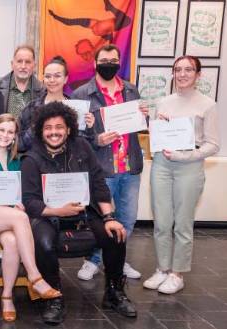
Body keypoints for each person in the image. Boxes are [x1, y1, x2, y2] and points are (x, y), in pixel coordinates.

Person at [22, 102, 136, 324]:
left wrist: (109, 218)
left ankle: (114, 292)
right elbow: (30, 202)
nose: (54, 132)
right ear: (40, 131)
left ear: (69, 129)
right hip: (47, 215)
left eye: (59, 127)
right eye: (48, 128)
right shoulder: (31, 158)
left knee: (115, 234)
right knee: (43, 242)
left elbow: (98, 184)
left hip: (85, 211)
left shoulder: (83, 147)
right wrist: (59, 210)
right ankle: (53, 296)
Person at [0, 114, 62, 322]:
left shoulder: (18, 161)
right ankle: (35, 277)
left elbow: (22, 195)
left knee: (11, 241)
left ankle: (7, 296)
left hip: (7, 215)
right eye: (1, 130)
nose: (5, 135)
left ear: (15, 136)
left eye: (10, 132)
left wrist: (18, 203)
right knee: (20, 218)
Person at [143, 56, 220, 294]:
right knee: (162, 222)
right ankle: (162, 269)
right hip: (162, 165)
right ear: (173, 73)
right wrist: (151, 123)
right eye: (178, 70)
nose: (182, 74)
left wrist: (185, 156)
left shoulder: (207, 105)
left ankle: (177, 274)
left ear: (198, 75)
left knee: (182, 224)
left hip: (188, 165)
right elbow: (156, 137)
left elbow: (213, 144)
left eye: (188, 69)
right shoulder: (164, 102)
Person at [72, 44, 144, 282]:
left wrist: (146, 115)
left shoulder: (131, 90)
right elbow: (75, 136)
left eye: (114, 61)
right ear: (95, 63)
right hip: (102, 167)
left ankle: (117, 259)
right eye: (104, 60)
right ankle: (93, 260)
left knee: (128, 218)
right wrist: (97, 139)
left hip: (130, 166)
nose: (109, 64)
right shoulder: (82, 94)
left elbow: (140, 123)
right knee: (102, 219)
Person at [48, 0, 132, 62]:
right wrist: (56, 17)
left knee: (126, 21)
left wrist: (56, 17)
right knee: (126, 21)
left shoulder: (96, 33)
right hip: (103, 30)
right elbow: (70, 22)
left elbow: (70, 22)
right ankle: (109, 7)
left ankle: (109, 7)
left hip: (103, 30)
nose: (86, 56)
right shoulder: (95, 47)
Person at [19, 56, 71, 152]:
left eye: (57, 76)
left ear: (65, 79)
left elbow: (84, 143)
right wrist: (36, 126)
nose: (52, 80)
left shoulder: (75, 108)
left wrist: (90, 127)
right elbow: (20, 145)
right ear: (43, 79)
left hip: (68, 164)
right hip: (38, 164)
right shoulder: (31, 108)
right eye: (48, 76)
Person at [0, 45, 45, 118]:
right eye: (19, 61)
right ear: (12, 64)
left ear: (34, 66)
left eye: (28, 62)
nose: (23, 66)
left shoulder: (42, 90)